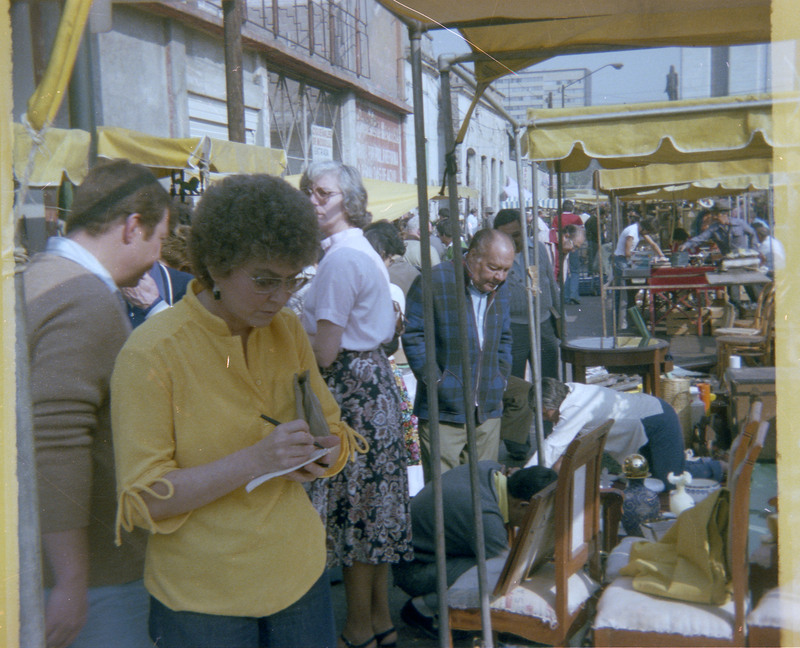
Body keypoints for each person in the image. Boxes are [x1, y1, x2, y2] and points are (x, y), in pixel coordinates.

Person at [111, 174, 359, 648]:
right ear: (218, 265)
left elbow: (334, 433)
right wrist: (258, 459)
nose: (281, 297)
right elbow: (144, 500)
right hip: (204, 601)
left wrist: (327, 452)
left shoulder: (286, 330)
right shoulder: (152, 353)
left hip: (299, 579)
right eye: (265, 280)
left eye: (293, 280)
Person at [23, 159, 172, 648]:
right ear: (133, 227)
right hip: (90, 576)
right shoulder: (84, 297)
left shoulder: (40, 274)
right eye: (159, 240)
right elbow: (57, 441)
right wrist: (70, 578)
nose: (159, 256)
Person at [300, 161, 413, 648]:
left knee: (356, 516)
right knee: (374, 514)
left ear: (348, 200)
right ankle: (379, 622)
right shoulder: (357, 250)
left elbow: (324, 352)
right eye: (308, 192)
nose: (312, 201)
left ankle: (358, 627)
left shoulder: (342, 259)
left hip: (352, 389)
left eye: (322, 193)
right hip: (373, 384)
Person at [393, 462, 558, 636]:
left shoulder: (492, 470)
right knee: (499, 571)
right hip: (414, 572)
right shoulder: (485, 516)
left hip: (425, 556)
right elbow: (507, 569)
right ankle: (423, 608)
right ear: (523, 506)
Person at [403, 229, 514, 480]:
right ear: (472, 256)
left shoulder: (500, 287)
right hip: (444, 410)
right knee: (445, 492)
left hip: (487, 409)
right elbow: (413, 334)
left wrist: (500, 376)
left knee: (485, 485)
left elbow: (505, 336)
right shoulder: (435, 280)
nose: (500, 276)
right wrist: (436, 381)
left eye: (506, 270)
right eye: (494, 268)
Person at [528, 378, 688, 487]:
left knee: (669, 480)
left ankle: (711, 467)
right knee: (652, 476)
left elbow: (553, 446)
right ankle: (681, 461)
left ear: (554, 405)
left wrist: (524, 476)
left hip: (656, 419)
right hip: (647, 416)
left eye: (545, 413)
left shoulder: (574, 409)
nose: (544, 419)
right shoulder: (567, 389)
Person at [493, 209, 561, 460]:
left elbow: (550, 283)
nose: (516, 241)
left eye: (519, 234)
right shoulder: (496, 253)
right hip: (512, 328)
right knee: (516, 388)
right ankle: (517, 443)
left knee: (550, 383)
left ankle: (553, 435)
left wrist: (557, 320)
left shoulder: (539, 249)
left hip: (542, 324)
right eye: (509, 236)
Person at [612, 216, 666, 326]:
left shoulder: (639, 230)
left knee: (630, 292)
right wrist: (645, 257)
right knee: (623, 293)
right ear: (645, 228)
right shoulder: (631, 232)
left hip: (626, 261)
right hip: (621, 261)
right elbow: (627, 253)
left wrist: (662, 256)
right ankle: (621, 322)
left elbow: (652, 244)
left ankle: (629, 319)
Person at [680, 199, 755, 255]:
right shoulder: (714, 228)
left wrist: (753, 250)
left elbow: (752, 233)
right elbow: (700, 238)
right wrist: (686, 245)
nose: (714, 217)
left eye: (716, 214)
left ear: (724, 214)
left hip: (742, 258)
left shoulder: (740, 223)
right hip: (727, 259)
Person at [550, 200, 584, 304]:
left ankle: (565, 295)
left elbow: (553, 231)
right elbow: (581, 232)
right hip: (572, 244)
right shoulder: (577, 218)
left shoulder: (557, 218)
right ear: (572, 208)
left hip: (559, 245)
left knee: (562, 269)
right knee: (574, 270)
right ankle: (574, 294)